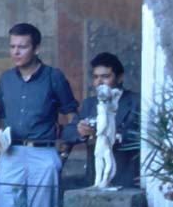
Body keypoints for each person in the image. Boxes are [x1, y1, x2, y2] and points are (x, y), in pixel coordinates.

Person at [0, 23, 78, 207]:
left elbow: (72, 116)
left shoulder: (54, 77)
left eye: (22, 47)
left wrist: (63, 154)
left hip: (43, 155)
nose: (16, 52)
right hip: (11, 155)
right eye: (12, 46)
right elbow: (2, 116)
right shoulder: (6, 79)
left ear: (36, 48)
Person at [60, 52, 140, 188]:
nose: (99, 82)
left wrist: (117, 136)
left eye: (105, 77)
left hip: (128, 175)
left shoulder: (135, 101)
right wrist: (80, 131)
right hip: (95, 176)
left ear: (120, 78)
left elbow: (146, 136)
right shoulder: (89, 104)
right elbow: (67, 133)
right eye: (96, 77)